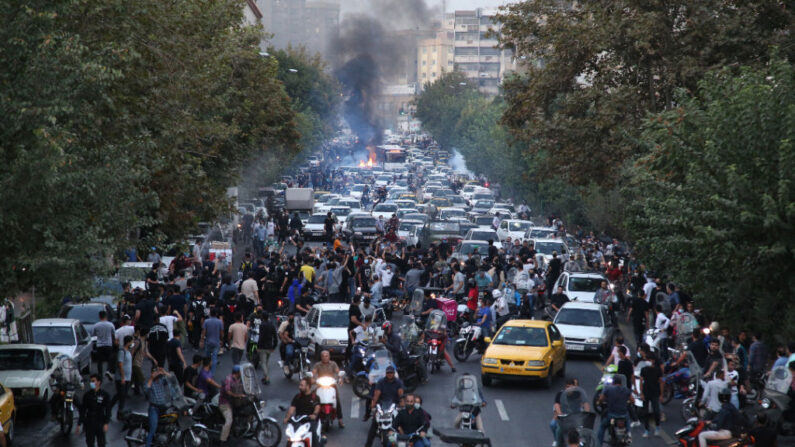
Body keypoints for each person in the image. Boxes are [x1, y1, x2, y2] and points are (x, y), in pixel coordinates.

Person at [365, 365, 405, 447]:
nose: (389, 374)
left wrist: (402, 404)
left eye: (391, 373)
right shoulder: (381, 382)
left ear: (394, 373)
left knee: (401, 424)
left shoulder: (398, 382)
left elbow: (401, 394)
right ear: (386, 374)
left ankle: (404, 442)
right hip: (382, 405)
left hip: (394, 405)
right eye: (388, 373)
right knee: (373, 426)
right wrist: (373, 404)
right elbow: (377, 394)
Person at [596, 374, 633, 446]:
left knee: (602, 427)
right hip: (623, 415)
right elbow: (632, 400)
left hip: (612, 415)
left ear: (613, 382)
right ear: (621, 383)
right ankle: (628, 433)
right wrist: (627, 402)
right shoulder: (626, 389)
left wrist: (599, 402)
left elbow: (601, 399)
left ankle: (599, 445)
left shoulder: (608, 388)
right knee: (628, 420)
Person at [284, 378, 321, 447]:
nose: (299, 387)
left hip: (310, 421)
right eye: (299, 385)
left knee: (313, 433)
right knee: (290, 437)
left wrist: (314, 415)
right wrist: (287, 417)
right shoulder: (297, 397)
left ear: (308, 386)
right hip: (298, 420)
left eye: (301, 385)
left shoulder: (314, 397)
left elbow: (317, 407)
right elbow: (292, 408)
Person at [311, 350, 344, 428]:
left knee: (337, 400)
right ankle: (313, 418)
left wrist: (340, 378)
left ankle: (340, 420)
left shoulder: (333, 364)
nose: (325, 358)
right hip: (320, 385)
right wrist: (311, 378)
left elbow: (338, 372)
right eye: (323, 356)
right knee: (313, 398)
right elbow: (313, 373)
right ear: (321, 357)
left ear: (329, 357)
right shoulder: (317, 365)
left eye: (326, 356)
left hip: (331, 385)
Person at [145, 367, 175, 447]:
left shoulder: (162, 381)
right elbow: (145, 389)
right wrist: (151, 378)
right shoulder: (150, 383)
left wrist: (164, 372)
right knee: (153, 429)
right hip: (154, 409)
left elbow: (172, 379)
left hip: (163, 408)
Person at [220, 365, 247, 444]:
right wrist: (237, 396)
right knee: (229, 421)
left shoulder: (239, 379)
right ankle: (222, 440)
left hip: (235, 402)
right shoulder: (228, 379)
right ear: (237, 372)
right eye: (240, 372)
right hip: (225, 403)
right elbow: (228, 391)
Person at [639, 353, 664, 437]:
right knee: (645, 412)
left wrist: (661, 395)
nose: (647, 361)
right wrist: (641, 393)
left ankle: (657, 427)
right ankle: (647, 430)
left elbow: (661, 382)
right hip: (646, 392)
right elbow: (641, 381)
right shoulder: (643, 370)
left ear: (653, 361)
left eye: (649, 360)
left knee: (656, 411)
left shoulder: (657, 370)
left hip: (655, 392)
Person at [112, 335, 133, 419]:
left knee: (121, 395)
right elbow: (120, 364)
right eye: (131, 342)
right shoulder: (122, 351)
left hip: (127, 377)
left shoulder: (128, 351)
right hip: (122, 378)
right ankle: (119, 412)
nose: (132, 343)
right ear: (128, 342)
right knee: (121, 396)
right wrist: (123, 377)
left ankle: (115, 409)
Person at [91, 310, 116, 379]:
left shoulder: (96, 325)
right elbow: (114, 333)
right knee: (109, 359)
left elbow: (93, 334)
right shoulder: (110, 324)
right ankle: (108, 371)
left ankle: (100, 375)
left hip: (99, 345)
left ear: (99, 316)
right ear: (106, 316)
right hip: (108, 344)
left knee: (99, 361)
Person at [200, 308, 224, 376]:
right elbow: (221, 333)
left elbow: (203, 332)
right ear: (216, 314)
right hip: (216, 342)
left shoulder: (206, 321)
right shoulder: (220, 322)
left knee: (207, 358)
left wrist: (201, 341)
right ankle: (211, 374)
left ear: (210, 313)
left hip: (208, 342)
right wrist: (222, 340)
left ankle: (205, 371)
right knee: (214, 358)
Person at [257, 312, 278, 385]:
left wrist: (258, 346)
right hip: (269, 346)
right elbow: (275, 336)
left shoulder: (262, 325)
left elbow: (261, 336)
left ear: (262, 317)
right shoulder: (271, 325)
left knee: (263, 363)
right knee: (266, 363)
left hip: (263, 346)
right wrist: (274, 346)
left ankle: (267, 377)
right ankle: (265, 377)